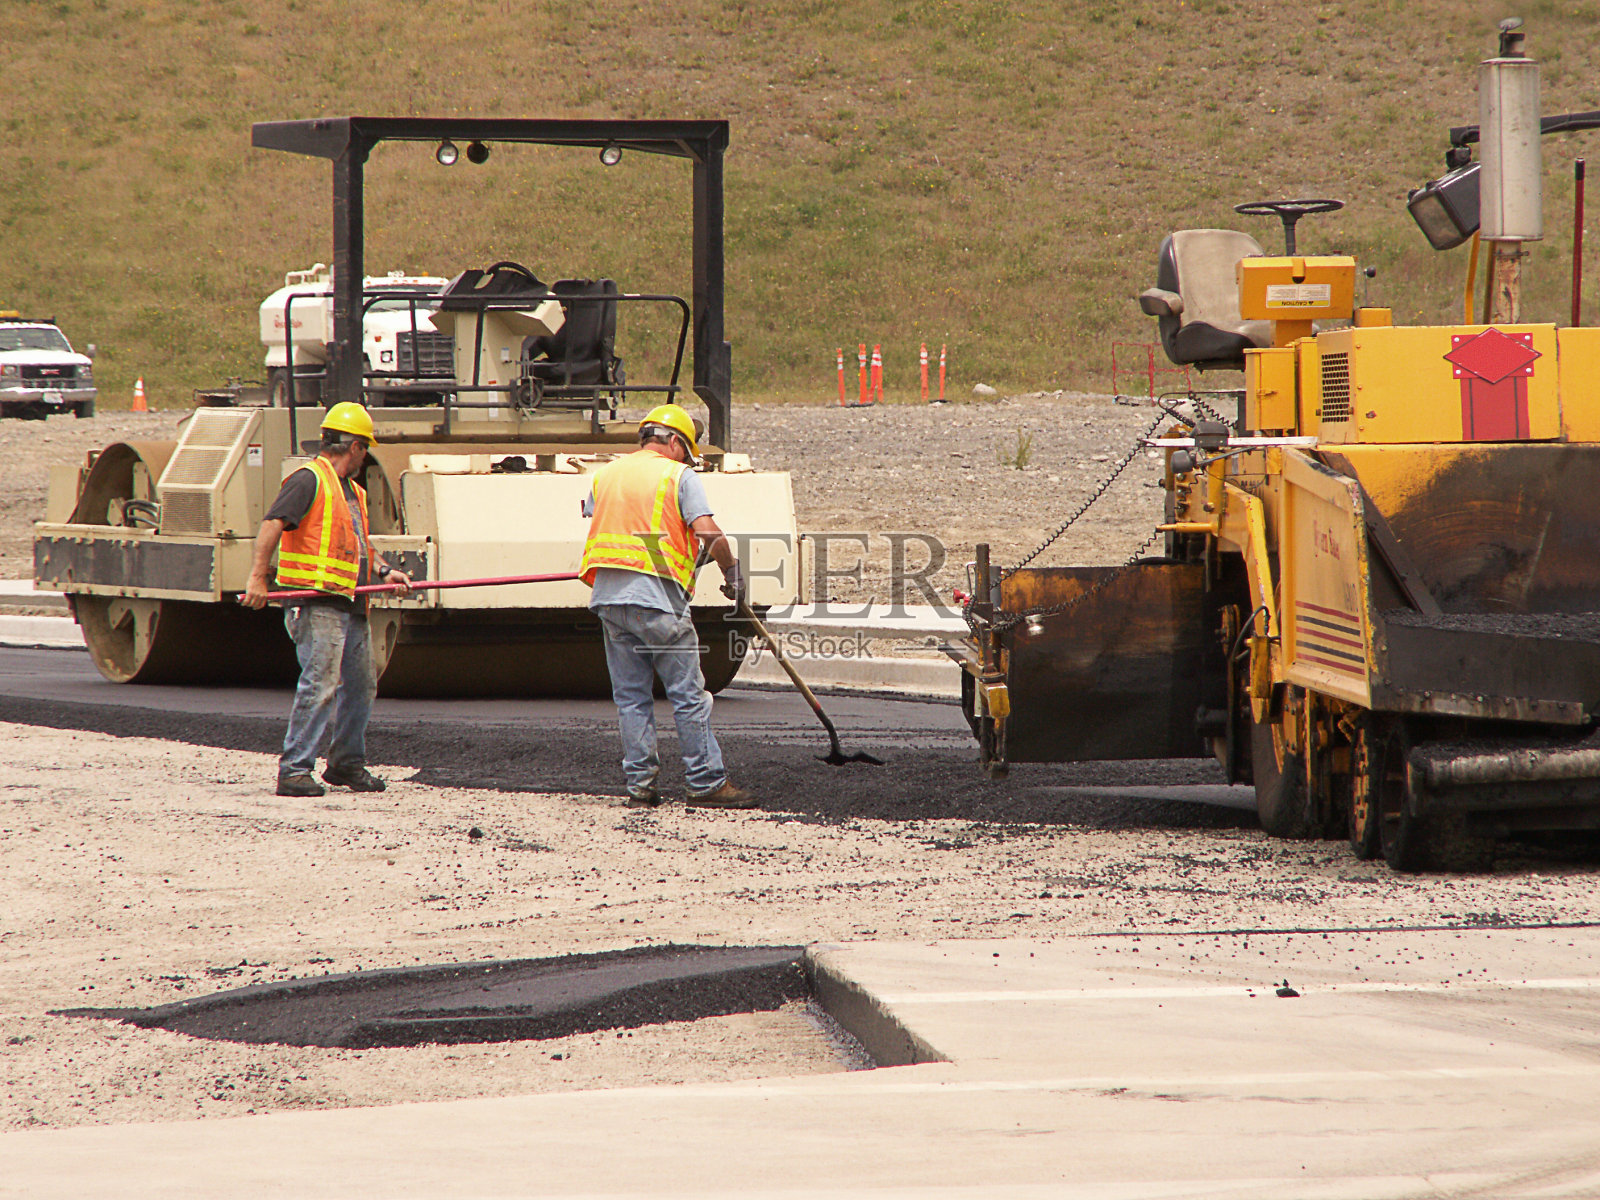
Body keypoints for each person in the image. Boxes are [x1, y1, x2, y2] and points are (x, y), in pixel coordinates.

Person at [580, 403, 754, 809]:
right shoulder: (678, 475)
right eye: (687, 450)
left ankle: (640, 786)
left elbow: (608, 519)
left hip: (609, 599)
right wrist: (733, 573)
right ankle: (706, 782)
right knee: (688, 695)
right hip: (657, 602)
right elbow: (708, 532)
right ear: (675, 442)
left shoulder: (605, 475)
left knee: (631, 698)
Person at [243, 401, 411, 797]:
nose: (365, 456)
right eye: (365, 448)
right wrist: (257, 576)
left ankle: (346, 765)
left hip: (349, 604)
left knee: (361, 685)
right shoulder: (308, 480)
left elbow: (356, 545)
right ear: (353, 447)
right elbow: (272, 524)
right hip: (315, 603)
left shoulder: (351, 491)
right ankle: (295, 770)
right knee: (320, 684)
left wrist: (386, 572)